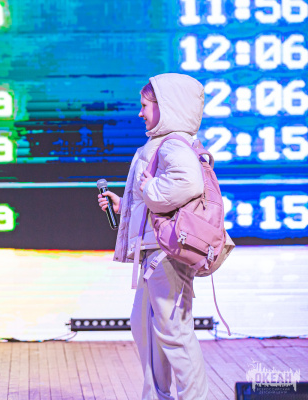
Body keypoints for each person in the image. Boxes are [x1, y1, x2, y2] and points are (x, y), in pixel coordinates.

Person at [98, 73, 209, 399]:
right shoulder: (162, 143)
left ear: (166, 106)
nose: (140, 113)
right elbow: (160, 198)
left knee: (174, 334)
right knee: (145, 328)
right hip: (155, 251)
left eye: (145, 105)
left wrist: (148, 188)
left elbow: (188, 184)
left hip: (166, 253)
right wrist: (125, 206)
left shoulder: (172, 144)